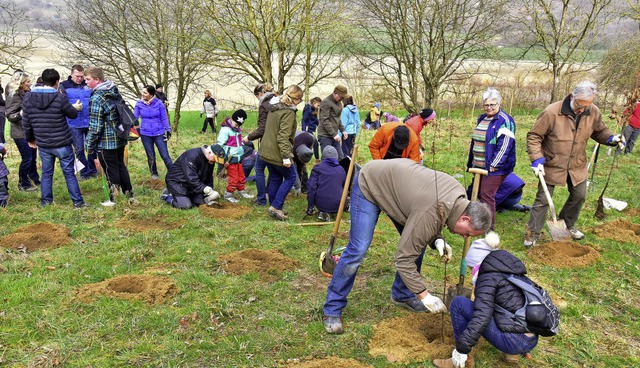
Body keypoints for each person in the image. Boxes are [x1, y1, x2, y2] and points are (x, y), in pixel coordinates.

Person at [323, 159, 492, 334]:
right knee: (358, 249)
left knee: (417, 244)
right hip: (371, 183)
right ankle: (332, 309)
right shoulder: (429, 211)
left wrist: (437, 239)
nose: (465, 237)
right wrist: (424, 295)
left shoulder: (458, 196)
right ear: (465, 219)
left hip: (402, 196)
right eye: (468, 233)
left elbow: (430, 218)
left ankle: (402, 295)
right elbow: (403, 259)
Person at [525, 81, 621, 246]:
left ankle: (567, 224)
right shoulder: (551, 112)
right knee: (543, 200)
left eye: (586, 106)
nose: (582, 109)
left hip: (577, 163)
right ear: (572, 96)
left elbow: (600, 131)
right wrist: (537, 159)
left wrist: (611, 138)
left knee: (580, 195)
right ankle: (532, 234)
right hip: (552, 163)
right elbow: (534, 136)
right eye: (579, 105)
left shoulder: (593, 111)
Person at [433, 244, 540, 368]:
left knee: (459, 303)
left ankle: (462, 360)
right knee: (499, 306)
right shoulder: (512, 272)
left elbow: (481, 318)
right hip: (531, 339)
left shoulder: (487, 280)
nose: (472, 271)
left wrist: (461, 350)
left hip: (513, 341)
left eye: (472, 267)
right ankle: (513, 355)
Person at [22, 68, 86, 208]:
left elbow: (26, 122)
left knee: (46, 174)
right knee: (69, 173)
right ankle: (78, 203)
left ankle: (46, 202)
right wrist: (75, 108)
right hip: (62, 142)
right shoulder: (59, 97)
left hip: (43, 143)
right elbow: (72, 115)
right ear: (57, 82)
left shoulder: (28, 98)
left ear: (42, 80)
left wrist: (30, 139)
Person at [84, 66, 137, 205]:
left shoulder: (97, 97)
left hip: (106, 140)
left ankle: (114, 199)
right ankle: (129, 195)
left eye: (88, 79)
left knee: (109, 169)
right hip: (120, 136)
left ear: (97, 80)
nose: (86, 82)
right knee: (121, 166)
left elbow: (95, 126)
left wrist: (89, 146)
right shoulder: (113, 90)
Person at [466, 88, 516, 228]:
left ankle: (488, 227)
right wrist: (473, 162)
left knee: (486, 195)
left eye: (492, 105)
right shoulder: (482, 118)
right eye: (486, 105)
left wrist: (495, 164)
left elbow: (505, 144)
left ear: (499, 104)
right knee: (473, 192)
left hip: (495, 167)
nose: (489, 107)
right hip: (479, 165)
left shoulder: (505, 120)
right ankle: (472, 219)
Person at [257, 84, 304, 221]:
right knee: (290, 177)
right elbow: (283, 136)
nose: (299, 103)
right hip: (277, 152)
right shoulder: (288, 112)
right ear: (295, 99)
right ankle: (276, 207)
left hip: (265, 150)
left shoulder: (274, 108)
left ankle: (273, 206)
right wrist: (286, 157)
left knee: (276, 177)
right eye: (299, 100)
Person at [60, 64, 98, 180]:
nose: (79, 79)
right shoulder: (63, 86)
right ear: (71, 74)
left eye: (81, 76)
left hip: (89, 121)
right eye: (77, 76)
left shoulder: (87, 85)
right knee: (79, 149)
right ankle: (84, 172)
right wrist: (72, 107)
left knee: (92, 147)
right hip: (73, 122)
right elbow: (61, 103)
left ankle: (93, 170)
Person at [6, 71, 40, 191]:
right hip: (20, 133)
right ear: (20, 83)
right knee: (27, 158)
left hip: (31, 131)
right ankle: (23, 183)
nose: (30, 84)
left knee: (32, 158)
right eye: (27, 82)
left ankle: (34, 179)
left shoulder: (28, 93)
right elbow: (10, 116)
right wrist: (20, 114)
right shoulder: (14, 96)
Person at [161, 144, 225, 209]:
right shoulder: (191, 156)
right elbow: (191, 178)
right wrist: (204, 189)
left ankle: (184, 196)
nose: (215, 161)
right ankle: (167, 196)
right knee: (186, 206)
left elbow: (208, 177)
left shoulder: (210, 161)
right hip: (177, 182)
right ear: (209, 152)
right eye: (215, 159)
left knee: (200, 203)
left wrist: (210, 191)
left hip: (192, 184)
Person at [244, 83, 276, 206]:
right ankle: (271, 197)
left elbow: (262, 129)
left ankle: (261, 199)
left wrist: (249, 137)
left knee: (259, 169)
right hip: (278, 143)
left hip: (266, 143)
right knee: (273, 172)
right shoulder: (277, 102)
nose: (257, 99)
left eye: (257, 96)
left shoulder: (264, 105)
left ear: (260, 94)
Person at [134, 85, 173, 179]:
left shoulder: (159, 103)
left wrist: (168, 130)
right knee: (150, 155)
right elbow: (134, 118)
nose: (142, 94)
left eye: (145, 93)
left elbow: (164, 118)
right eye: (142, 92)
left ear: (151, 94)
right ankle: (154, 173)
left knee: (165, 155)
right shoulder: (139, 104)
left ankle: (174, 173)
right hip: (145, 134)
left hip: (159, 133)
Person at [217, 109, 253, 203]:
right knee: (234, 178)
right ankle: (228, 194)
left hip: (239, 158)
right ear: (232, 119)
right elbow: (220, 146)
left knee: (241, 176)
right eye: (236, 124)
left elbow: (238, 143)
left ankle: (241, 190)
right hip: (230, 159)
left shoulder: (237, 130)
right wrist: (225, 158)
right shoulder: (225, 131)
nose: (237, 126)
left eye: (239, 125)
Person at [306, 146, 346, 222]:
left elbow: (311, 187)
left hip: (321, 204)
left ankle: (324, 212)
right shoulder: (341, 169)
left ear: (323, 157)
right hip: (339, 204)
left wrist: (310, 206)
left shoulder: (317, 168)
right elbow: (343, 187)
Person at [318, 85, 348, 160]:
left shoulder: (339, 103)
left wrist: (343, 130)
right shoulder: (326, 102)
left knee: (340, 158)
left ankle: (340, 172)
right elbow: (324, 120)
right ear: (335, 93)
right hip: (325, 135)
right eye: (340, 97)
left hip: (334, 135)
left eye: (343, 98)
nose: (341, 99)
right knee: (327, 159)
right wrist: (334, 134)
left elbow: (337, 118)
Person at [292, 130, 316, 194]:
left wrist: (308, 152)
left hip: (303, 144)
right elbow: (293, 170)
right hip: (293, 144)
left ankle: (305, 187)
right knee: (295, 169)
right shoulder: (291, 148)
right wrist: (297, 187)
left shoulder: (310, 139)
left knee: (303, 168)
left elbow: (310, 147)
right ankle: (296, 187)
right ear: (298, 155)